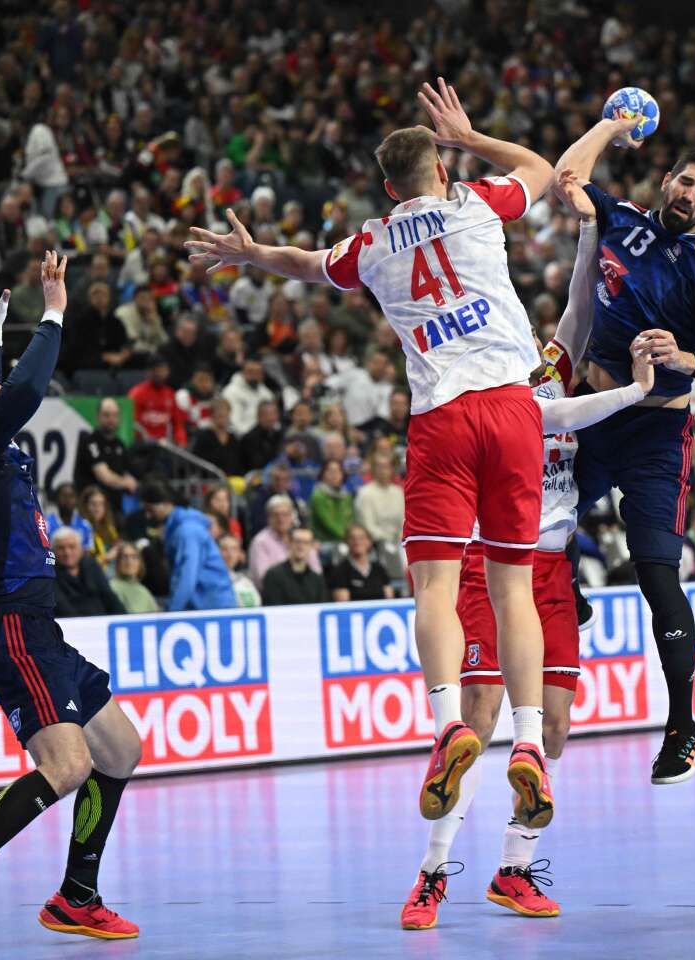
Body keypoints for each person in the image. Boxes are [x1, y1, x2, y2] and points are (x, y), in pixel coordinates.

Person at [188, 78, 557, 837]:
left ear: (388, 189)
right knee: (514, 589)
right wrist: (470, 135)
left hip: (442, 417)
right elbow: (544, 168)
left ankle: (450, 722)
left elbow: (305, 263)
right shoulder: (479, 204)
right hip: (516, 408)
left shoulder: (371, 244)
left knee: (435, 584)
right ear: (442, 173)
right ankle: (527, 740)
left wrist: (254, 253)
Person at [403, 217, 654, 928]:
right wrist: (634, 393)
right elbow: (556, 417)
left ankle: (513, 868)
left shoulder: (543, 365)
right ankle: (431, 875)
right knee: (477, 722)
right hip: (495, 564)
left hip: (553, 573)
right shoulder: (492, 385)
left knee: (556, 729)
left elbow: (578, 310)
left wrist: (587, 233)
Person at [0, 255, 142, 957]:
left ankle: (77, 895)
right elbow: (28, 387)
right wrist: (52, 309)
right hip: (10, 629)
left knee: (120, 750)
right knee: (67, 764)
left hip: (37, 627)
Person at [552, 113, 695, 784]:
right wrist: (610, 127)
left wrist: (685, 354)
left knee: (655, 574)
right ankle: (569, 593)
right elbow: (565, 179)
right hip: (594, 409)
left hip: (658, 434)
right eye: (684, 181)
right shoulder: (625, 219)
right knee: (531, 519)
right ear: (667, 181)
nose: (690, 194)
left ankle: (683, 727)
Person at [139, 481, 236, 611]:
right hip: (206, 604)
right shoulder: (180, 528)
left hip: (213, 607)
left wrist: (172, 613)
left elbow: (187, 576)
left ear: (166, 503)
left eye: (150, 509)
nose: (148, 515)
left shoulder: (187, 531)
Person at [73, 397, 139, 514]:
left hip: (114, 507)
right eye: (106, 415)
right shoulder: (90, 441)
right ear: (98, 417)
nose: (111, 419)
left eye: (115, 415)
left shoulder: (119, 445)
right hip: (91, 508)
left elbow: (129, 471)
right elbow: (105, 476)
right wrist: (126, 483)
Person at [53, 527, 126, 618]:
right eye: (61, 548)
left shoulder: (92, 565)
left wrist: (125, 619)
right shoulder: (49, 573)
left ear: (81, 549)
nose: (67, 552)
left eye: (72, 547)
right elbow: (61, 606)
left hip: (102, 622)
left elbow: (109, 597)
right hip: (71, 625)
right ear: (54, 551)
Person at [261, 526, 329, 606]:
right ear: (289, 543)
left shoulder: (317, 579)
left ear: (311, 546)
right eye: (297, 541)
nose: (301, 546)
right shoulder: (273, 575)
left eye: (306, 543)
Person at [326, 524, 395, 602]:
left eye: (361, 538)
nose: (357, 541)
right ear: (346, 542)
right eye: (352, 538)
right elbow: (343, 605)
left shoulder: (379, 569)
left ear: (369, 542)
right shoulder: (339, 571)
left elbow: (390, 600)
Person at [248, 494, 296, 585]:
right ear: (268, 518)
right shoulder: (260, 542)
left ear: (292, 517)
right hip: (273, 595)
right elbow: (262, 578)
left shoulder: (300, 538)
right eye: (276, 515)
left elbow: (316, 572)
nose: (281, 519)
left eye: (285, 514)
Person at [310, 459, 356, 544]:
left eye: (338, 471)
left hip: (346, 540)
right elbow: (328, 523)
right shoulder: (318, 496)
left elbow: (350, 519)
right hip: (324, 542)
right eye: (330, 471)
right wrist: (348, 538)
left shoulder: (346, 496)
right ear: (323, 474)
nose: (334, 475)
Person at [107, 542, 159, 614]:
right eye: (125, 557)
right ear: (118, 562)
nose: (129, 562)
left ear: (140, 563)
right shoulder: (111, 587)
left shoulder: (143, 591)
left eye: (134, 557)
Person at [44, 482, 94, 550]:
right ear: (56, 499)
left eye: (71, 496)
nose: (67, 500)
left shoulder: (85, 525)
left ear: (77, 500)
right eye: (63, 496)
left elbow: (88, 552)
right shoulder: (46, 524)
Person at [218, 534, 263, 608]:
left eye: (234, 549)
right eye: (224, 549)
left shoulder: (245, 581)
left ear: (240, 554)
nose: (230, 554)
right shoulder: (208, 581)